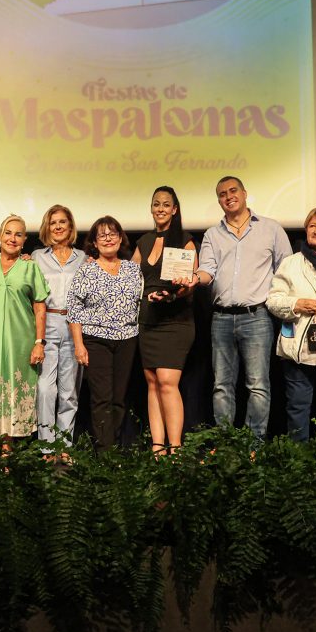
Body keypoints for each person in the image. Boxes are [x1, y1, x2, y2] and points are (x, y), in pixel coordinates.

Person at [178, 176, 292, 438]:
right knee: (222, 386)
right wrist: (194, 279)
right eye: (222, 194)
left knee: (257, 385)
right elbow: (207, 270)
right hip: (221, 319)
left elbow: (286, 271)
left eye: (233, 191)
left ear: (244, 193)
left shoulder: (271, 229)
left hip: (257, 317)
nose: (228, 196)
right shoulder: (212, 234)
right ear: (219, 200)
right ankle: (227, 443)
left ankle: (254, 445)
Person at [266, 207, 316, 442]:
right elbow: (273, 300)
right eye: (312, 226)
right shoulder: (291, 263)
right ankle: (299, 462)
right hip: (298, 352)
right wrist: (296, 304)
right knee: (298, 408)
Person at [67, 216, 143, 451]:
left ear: (121, 239)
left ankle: (116, 449)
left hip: (127, 340)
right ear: (94, 242)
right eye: (102, 235)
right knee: (102, 399)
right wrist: (79, 345)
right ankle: (104, 453)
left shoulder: (132, 269)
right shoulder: (86, 271)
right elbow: (74, 309)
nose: (108, 238)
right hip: (95, 340)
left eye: (113, 234)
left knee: (119, 399)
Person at [0, 215, 49, 440]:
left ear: (24, 240)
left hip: (20, 343)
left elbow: (40, 308)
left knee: (14, 392)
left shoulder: (30, 268)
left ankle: (8, 449)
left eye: (18, 234)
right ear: (0, 237)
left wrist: (39, 343)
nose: (12, 238)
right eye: (8, 233)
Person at [131, 186, 196, 453]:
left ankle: (176, 448)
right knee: (152, 383)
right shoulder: (143, 242)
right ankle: (158, 447)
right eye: (156, 204)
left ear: (175, 209)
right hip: (147, 321)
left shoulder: (184, 239)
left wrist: (173, 293)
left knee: (168, 383)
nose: (160, 208)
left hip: (175, 319)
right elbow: (128, 276)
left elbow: (190, 285)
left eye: (166, 204)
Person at [31, 205, 86, 444]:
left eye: (63, 222)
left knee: (69, 392)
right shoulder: (36, 257)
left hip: (74, 326)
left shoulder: (83, 258)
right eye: (53, 222)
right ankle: (46, 445)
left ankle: (65, 445)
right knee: (45, 389)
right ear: (47, 227)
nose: (58, 226)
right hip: (47, 324)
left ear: (70, 226)